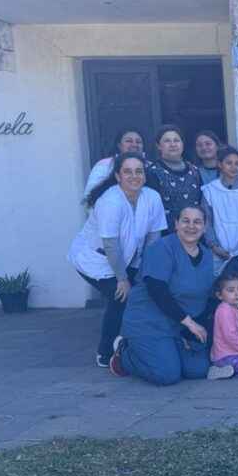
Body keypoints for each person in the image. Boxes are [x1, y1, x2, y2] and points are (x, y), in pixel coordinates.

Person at [110, 205, 230, 384]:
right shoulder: (162, 248)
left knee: (197, 370)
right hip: (149, 321)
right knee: (167, 375)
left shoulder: (206, 255)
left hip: (178, 324)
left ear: (205, 227)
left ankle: (167, 351)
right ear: (176, 224)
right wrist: (190, 324)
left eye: (197, 222)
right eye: (185, 221)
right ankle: (124, 352)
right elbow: (157, 290)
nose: (191, 226)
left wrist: (192, 329)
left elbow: (204, 296)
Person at [68, 153, 166, 366]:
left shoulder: (152, 197)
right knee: (120, 297)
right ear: (118, 176)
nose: (134, 176)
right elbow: (110, 245)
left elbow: (154, 236)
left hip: (128, 258)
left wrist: (144, 272)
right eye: (127, 171)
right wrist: (123, 279)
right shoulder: (110, 201)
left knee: (142, 293)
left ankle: (130, 343)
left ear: (145, 176)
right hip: (94, 259)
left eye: (138, 171)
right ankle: (105, 353)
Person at [145, 125, 203, 231]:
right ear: (158, 146)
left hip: (193, 234)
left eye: (177, 140)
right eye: (167, 141)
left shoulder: (194, 170)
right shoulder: (152, 172)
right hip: (164, 236)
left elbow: (201, 202)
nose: (173, 144)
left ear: (182, 144)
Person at [84, 127, 144, 196]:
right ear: (119, 145)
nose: (134, 145)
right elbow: (89, 194)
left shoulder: (150, 166)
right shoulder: (105, 165)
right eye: (129, 141)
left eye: (138, 142)